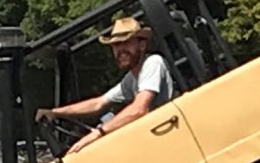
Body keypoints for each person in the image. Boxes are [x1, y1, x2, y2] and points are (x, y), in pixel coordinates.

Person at [38, 14, 175, 151]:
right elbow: (99, 103)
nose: (121, 50)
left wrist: (99, 132)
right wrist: (54, 113)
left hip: (167, 135)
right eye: (116, 45)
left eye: (126, 42)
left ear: (142, 45)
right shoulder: (131, 79)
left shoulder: (153, 63)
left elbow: (139, 109)